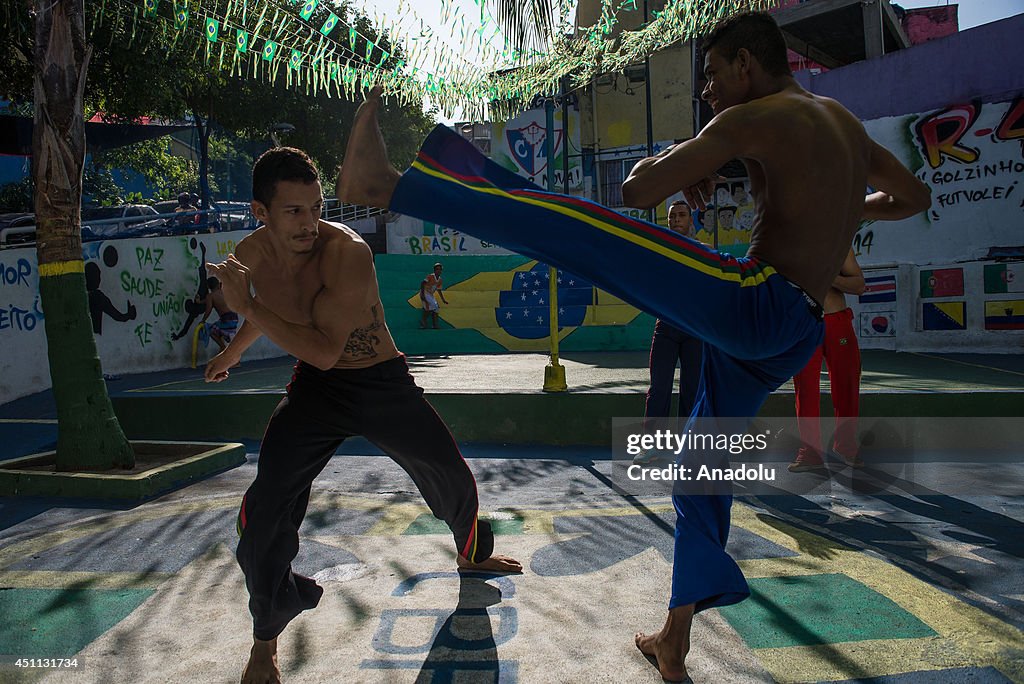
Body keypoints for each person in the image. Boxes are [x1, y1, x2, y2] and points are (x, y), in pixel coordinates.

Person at [336, 11, 930, 682]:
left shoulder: (747, 119)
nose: (707, 92)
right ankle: (674, 640)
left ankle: (390, 188)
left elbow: (636, 189)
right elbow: (911, 195)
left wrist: (690, 156)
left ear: (745, 66)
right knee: (699, 472)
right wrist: (848, 204)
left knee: (584, 229)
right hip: (795, 332)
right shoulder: (844, 124)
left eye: (710, 76)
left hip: (756, 301)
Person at [204, 147, 521, 684]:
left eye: (315, 206)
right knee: (267, 510)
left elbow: (325, 347)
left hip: (377, 381)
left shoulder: (346, 251)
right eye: (293, 212)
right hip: (315, 390)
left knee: (446, 471)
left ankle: (471, 553)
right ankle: (265, 645)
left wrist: (247, 306)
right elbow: (276, 308)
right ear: (261, 213)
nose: (309, 223)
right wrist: (231, 352)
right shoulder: (250, 255)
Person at [635, 201, 704, 466]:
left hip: (693, 329)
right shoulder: (660, 249)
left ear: (691, 220)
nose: (676, 219)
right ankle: (651, 446)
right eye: (672, 216)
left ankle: (687, 450)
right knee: (659, 388)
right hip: (666, 327)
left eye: (682, 215)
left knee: (692, 389)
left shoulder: (702, 251)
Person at [789, 249, 866, 472]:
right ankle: (810, 453)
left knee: (846, 385)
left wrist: (828, 276)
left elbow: (859, 285)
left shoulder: (838, 245)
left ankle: (846, 447)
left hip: (837, 320)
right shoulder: (786, 246)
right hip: (804, 325)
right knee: (805, 390)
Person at [198, 276, 239, 352]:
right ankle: (223, 349)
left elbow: (208, 310)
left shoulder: (210, 296)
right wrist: (200, 302)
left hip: (226, 319)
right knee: (220, 332)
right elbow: (209, 300)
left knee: (210, 330)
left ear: (208, 287)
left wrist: (203, 320)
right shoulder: (224, 291)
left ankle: (223, 348)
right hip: (234, 318)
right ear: (218, 284)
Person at [419, 262, 448, 329]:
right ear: (434, 270)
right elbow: (423, 283)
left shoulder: (440, 280)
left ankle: (435, 324)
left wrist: (443, 299)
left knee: (436, 308)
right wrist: (422, 294)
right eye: (437, 269)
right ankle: (423, 321)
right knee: (430, 306)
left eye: (440, 269)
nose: (439, 271)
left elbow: (439, 290)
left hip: (430, 295)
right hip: (425, 293)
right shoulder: (430, 276)